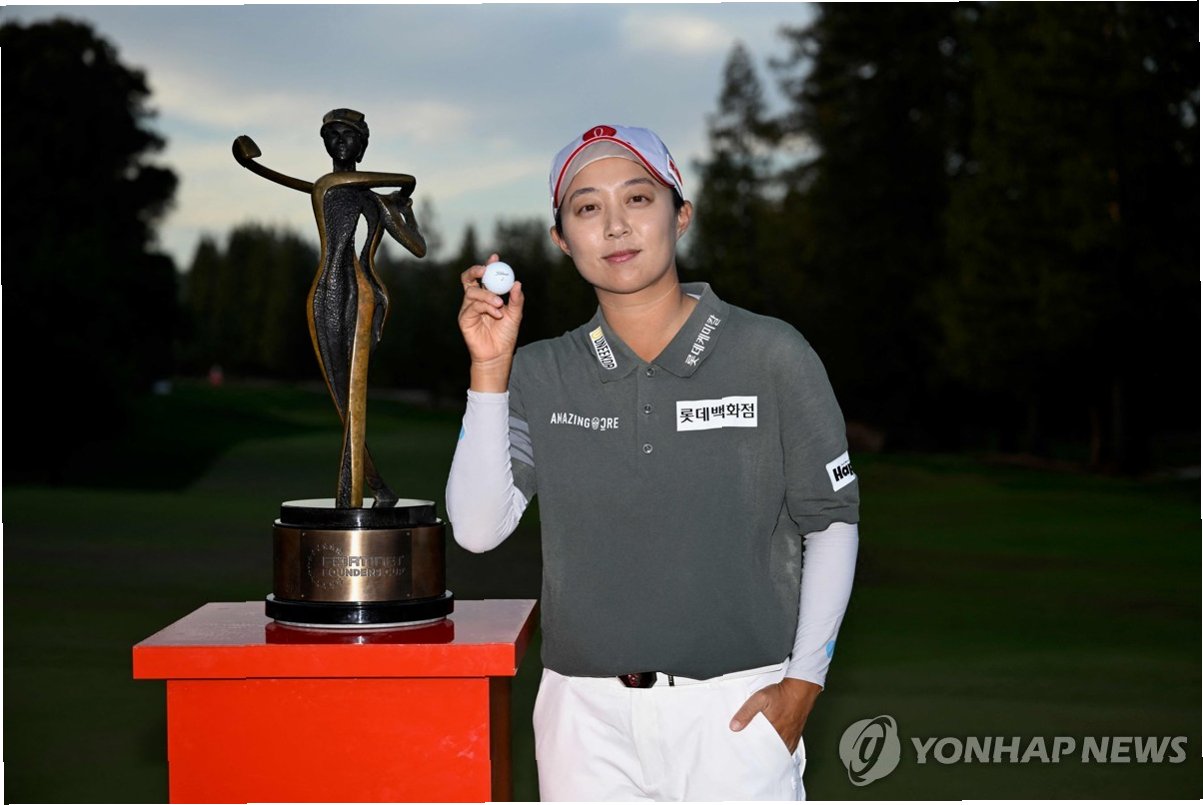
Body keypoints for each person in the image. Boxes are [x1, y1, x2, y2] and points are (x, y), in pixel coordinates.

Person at [445, 123, 859, 801]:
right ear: (561, 238)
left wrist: (803, 684)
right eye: (587, 208)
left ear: (680, 214)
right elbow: (477, 528)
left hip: (735, 710)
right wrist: (489, 369)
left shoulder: (772, 354)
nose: (615, 225)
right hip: (583, 721)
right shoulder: (541, 372)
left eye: (637, 198)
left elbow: (831, 521)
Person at [233, 108, 426, 508]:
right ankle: (377, 487)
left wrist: (404, 209)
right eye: (331, 135)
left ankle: (351, 497)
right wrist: (402, 183)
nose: (339, 142)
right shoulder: (326, 187)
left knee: (353, 394)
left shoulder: (377, 203)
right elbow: (389, 179)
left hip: (365, 294)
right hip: (326, 293)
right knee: (342, 394)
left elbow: (418, 248)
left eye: (348, 135)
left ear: (362, 144)